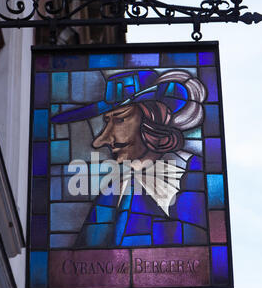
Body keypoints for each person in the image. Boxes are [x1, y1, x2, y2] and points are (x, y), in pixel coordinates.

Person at [51, 69, 208, 248]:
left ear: (156, 116)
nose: (100, 140)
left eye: (119, 120)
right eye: (106, 122)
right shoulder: (111, 193)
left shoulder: (202, 180)